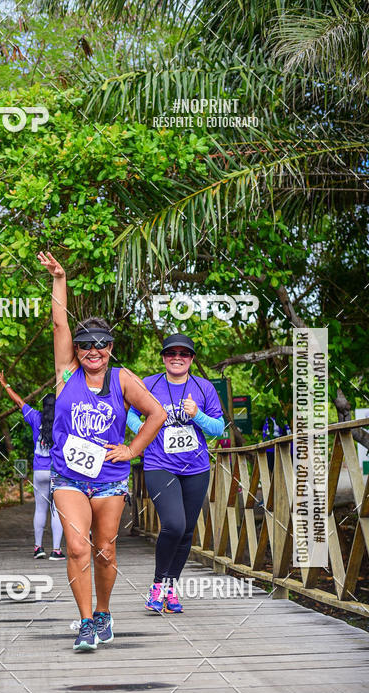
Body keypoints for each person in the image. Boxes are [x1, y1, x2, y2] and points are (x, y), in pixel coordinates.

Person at [37, 250, 167, 651]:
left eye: (100, 345)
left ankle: (105, 610)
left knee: (105, 550)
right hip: (69, 477)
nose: (92, 351)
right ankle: (86, 621)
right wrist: (59, 278)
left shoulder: (122, 379)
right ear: (76, 351)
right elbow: (60, 323)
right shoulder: (66, 374)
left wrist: (131, 449)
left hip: (110, 479)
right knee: (77, 546)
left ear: (110, 347)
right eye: (85, 346)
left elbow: (157, 413)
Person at [128, 333, 225, 613]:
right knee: (173, 524)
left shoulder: (204, 387)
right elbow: (131, 414)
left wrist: (197, 415)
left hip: (196, 468)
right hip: (160, 465)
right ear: (164, 357)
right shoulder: (149, 384)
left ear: (192, 359)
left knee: (186, 532)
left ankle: (171, 589)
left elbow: (218, 430)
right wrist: (147, 432)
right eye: (172, 353)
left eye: (184, 354)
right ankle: (157, 584)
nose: (177, 358)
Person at [0, 371, 65, 560]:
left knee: (40, 509)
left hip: (39, 471)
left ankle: (38, 548)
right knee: (56, 511)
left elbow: (19, 402)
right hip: (56, 471)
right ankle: (56, 551)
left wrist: (5, 384)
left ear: (44, 406)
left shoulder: (35, 417)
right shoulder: (61, 422)